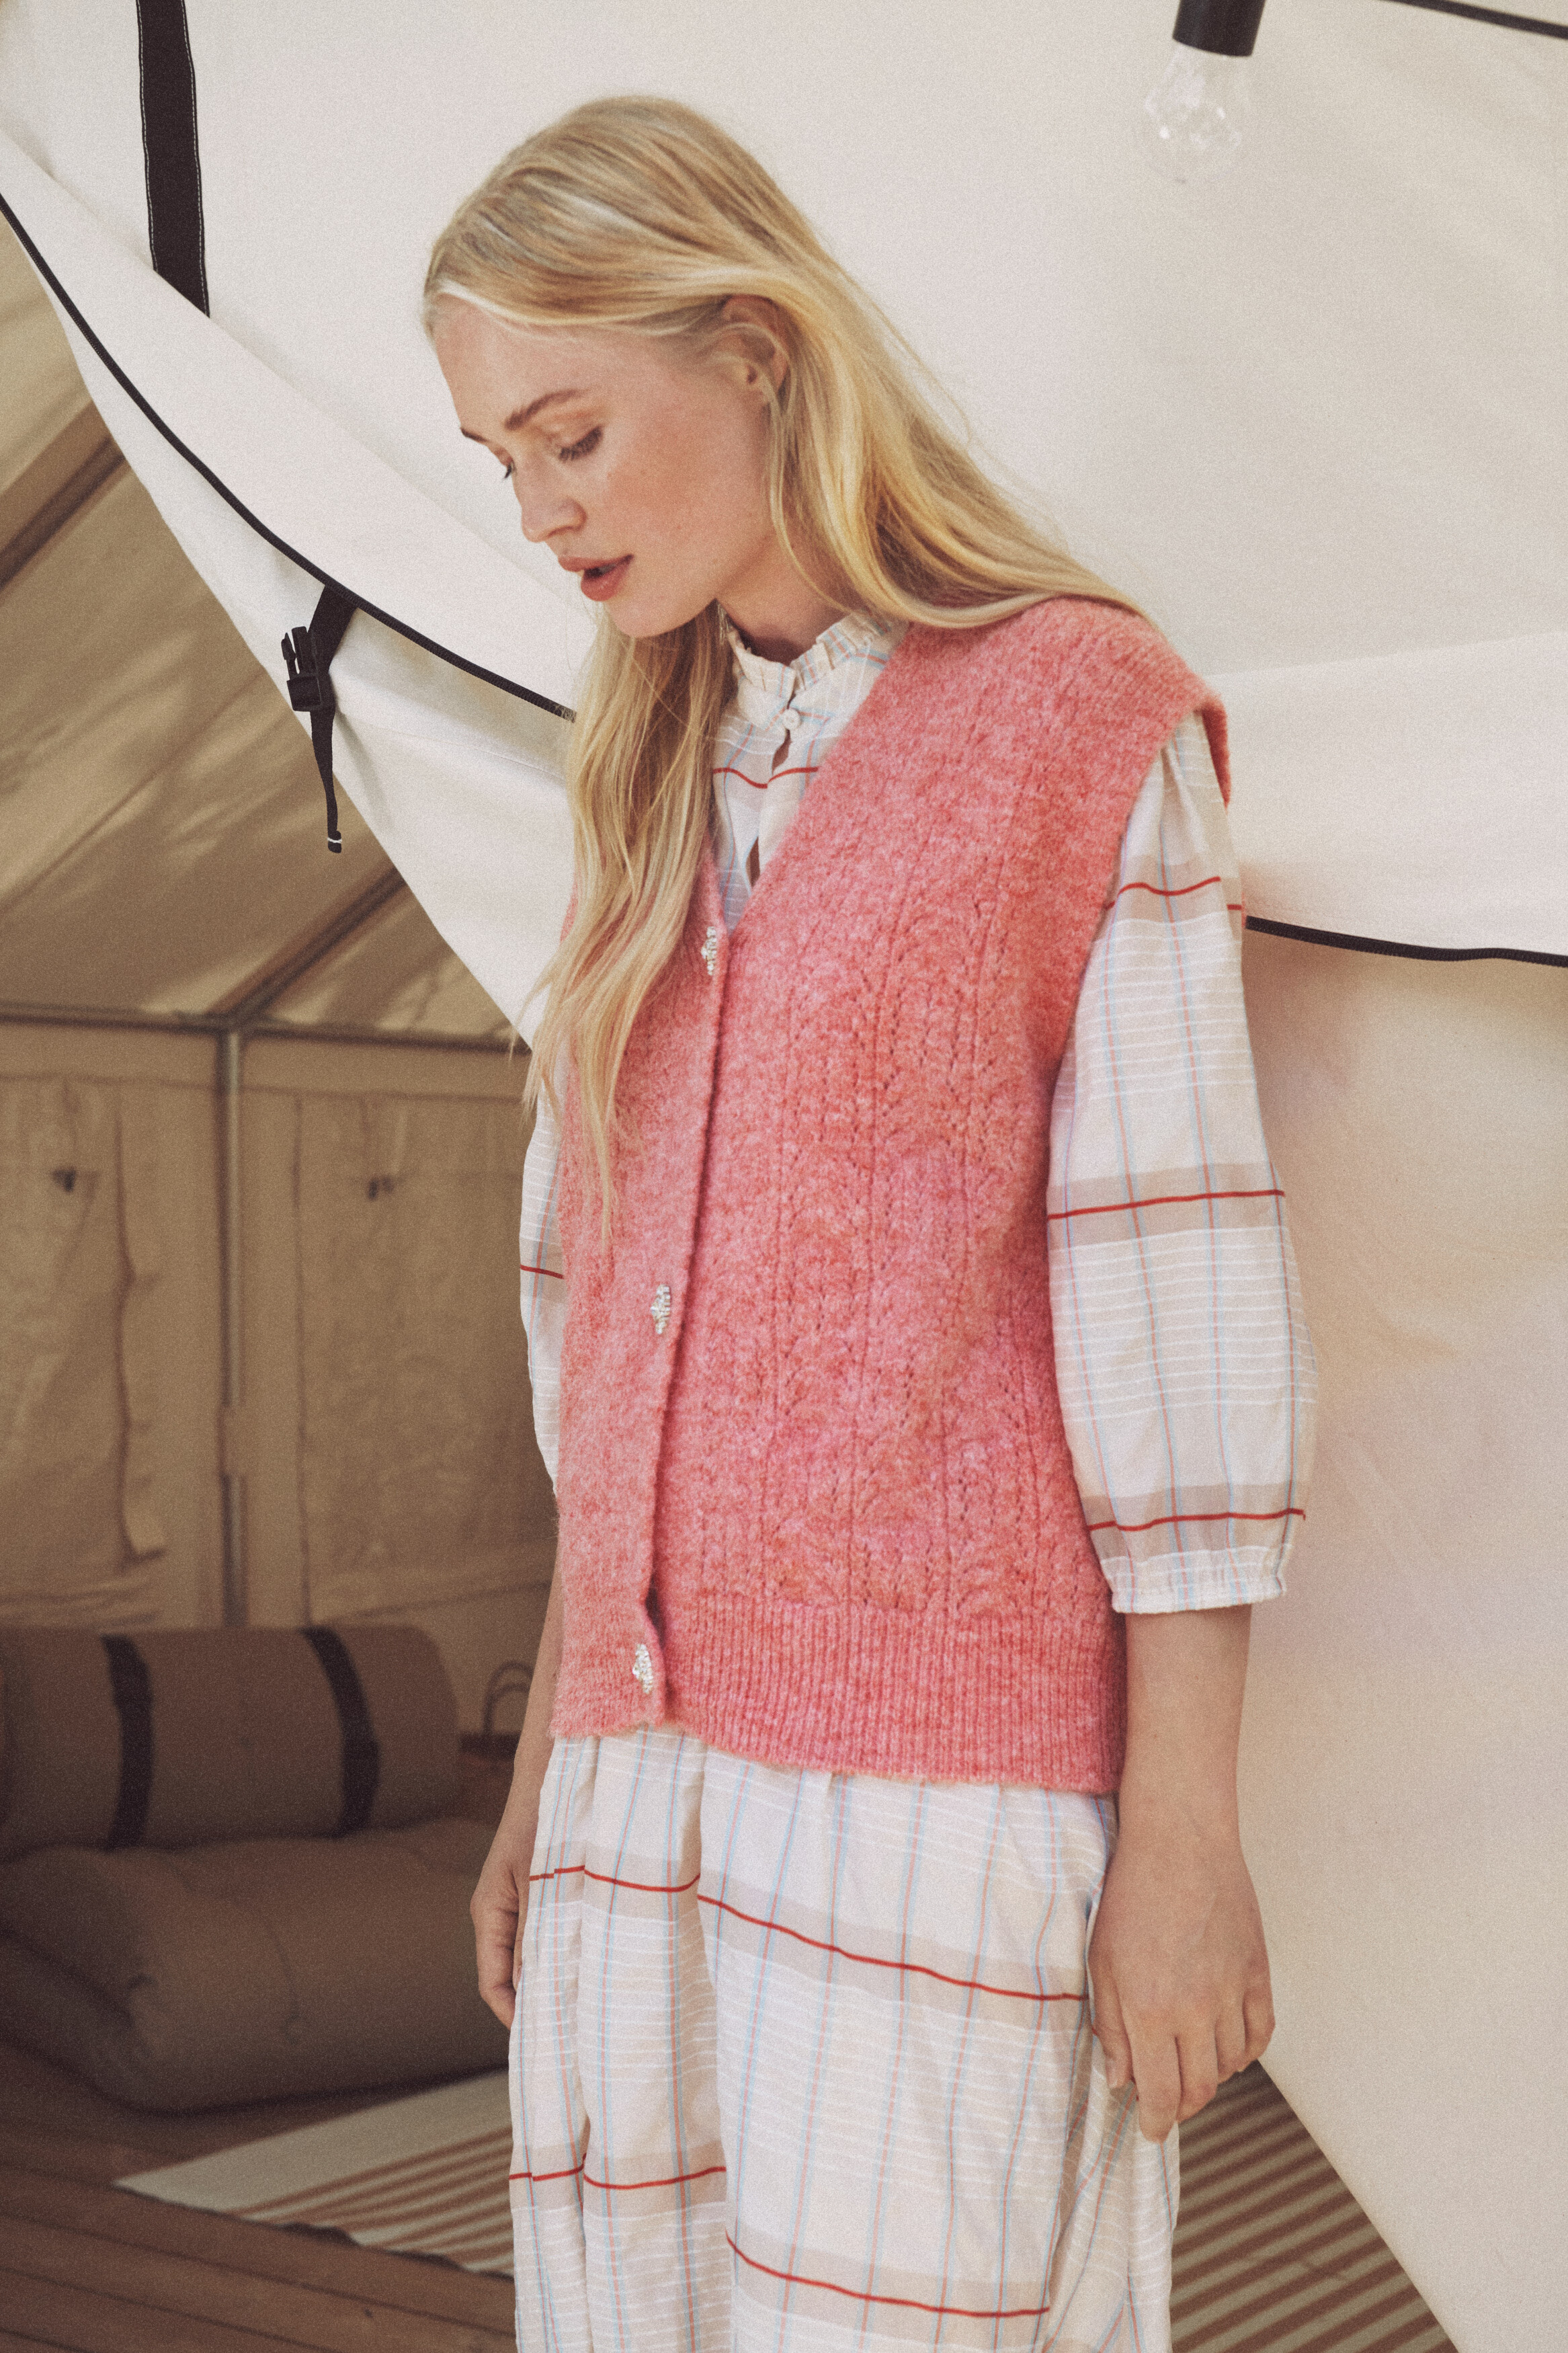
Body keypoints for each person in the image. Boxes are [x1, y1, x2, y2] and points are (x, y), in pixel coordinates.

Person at [424, 95, 1314, 2353]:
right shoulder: (645, 781)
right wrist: (544, 1780)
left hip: (938, 1793)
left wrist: (1184, 1833)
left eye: (571, 435)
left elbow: (1182, 1301)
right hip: (639, 1793)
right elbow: (601, 1358)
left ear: (753, 345)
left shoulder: (1075, 716)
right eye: (499, 459)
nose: (538, 512)